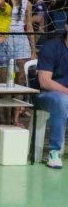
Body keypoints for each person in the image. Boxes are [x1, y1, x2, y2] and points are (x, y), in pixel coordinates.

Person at [35, 30, 68, 169]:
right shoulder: (51, 47)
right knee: (61, 101)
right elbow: (44, 81)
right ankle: (54, 151)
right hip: (47, 95)